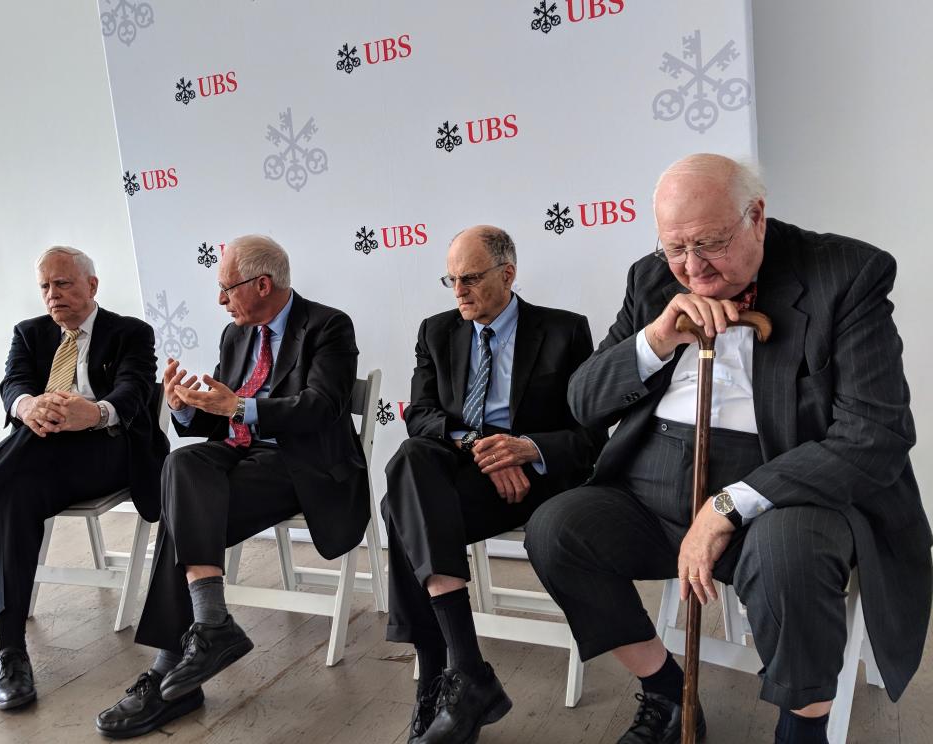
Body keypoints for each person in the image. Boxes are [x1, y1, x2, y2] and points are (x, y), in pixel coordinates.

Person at [524, 153, 931, 744]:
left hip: (782, 488)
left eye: (710, 244)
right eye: (676, 249)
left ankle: (802, 726)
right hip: (651, 483)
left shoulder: (846, 273)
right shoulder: (652, 277)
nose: (692, 268)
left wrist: (727, 506)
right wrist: (654, 340)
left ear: (756, 217)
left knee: (791, 553)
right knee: (558, 529)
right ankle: (666, 692)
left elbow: (876, 435)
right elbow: (585, 402)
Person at [96, 235, 370, 738]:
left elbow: (321, 408)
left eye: (227, 289)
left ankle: (168, 672)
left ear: (262, 284)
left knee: (183, 512)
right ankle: (210, 625)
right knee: (181, 467)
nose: (221, 300)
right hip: (244, 459)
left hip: (304, 465)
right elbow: (220, 421)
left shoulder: (328, 326)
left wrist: (239, 407)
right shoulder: (235, 334)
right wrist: (184, 407)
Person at [382, 225, 606, 744]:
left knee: (400, 509)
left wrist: (525, 449)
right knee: (413, 459)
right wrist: (479, 448)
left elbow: (589, 437)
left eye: (470, 278)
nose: (458, 290)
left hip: (528, 483)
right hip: (463, 470)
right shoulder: (437, 331)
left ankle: (438, 679)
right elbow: (419, 414)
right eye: (451, 279)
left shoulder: (564, 331)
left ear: (508, 274)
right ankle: (463, 671)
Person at [0, 246, 164, 710]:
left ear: (91, 286)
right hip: (44, 463)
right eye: (45, 287)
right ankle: (11, 651)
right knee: (9, 492)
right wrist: (30, 406)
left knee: (44, 430)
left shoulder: (130, 333)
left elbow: (134, 393)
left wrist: (92, 413)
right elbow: (12, 384)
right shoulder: (30, 333)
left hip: (110, 454)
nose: (52, 295)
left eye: (63, 284)